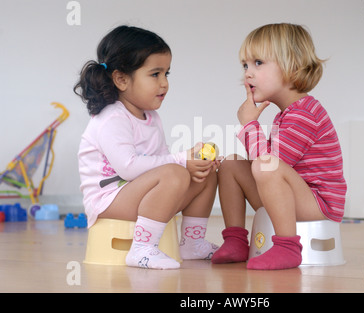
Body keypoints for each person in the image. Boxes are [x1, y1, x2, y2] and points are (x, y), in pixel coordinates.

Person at [74, 25, 219, 270]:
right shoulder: (112, 118)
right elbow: (129, 168)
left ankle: (192, 243)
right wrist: (181, 160)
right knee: (175, 171)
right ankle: (141, 249)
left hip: (141, 193)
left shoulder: (150, 116)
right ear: (121, 79)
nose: (164, 84)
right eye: (155, 74)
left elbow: (162, 160)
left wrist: (191, 162)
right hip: (109, 199)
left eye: (167, 74)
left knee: (207, 171)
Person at [211, 23, 347, 270]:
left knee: (266, 165)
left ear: (291, 66)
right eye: (245, 65)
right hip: (293, 195)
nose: (247, 73)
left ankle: (287, 247)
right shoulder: (287, 114)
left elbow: (268, 163)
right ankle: (235, 240)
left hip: (319, 205)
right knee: (231, 164)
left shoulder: (305, 114)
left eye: (258, 63)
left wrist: (250, 124)